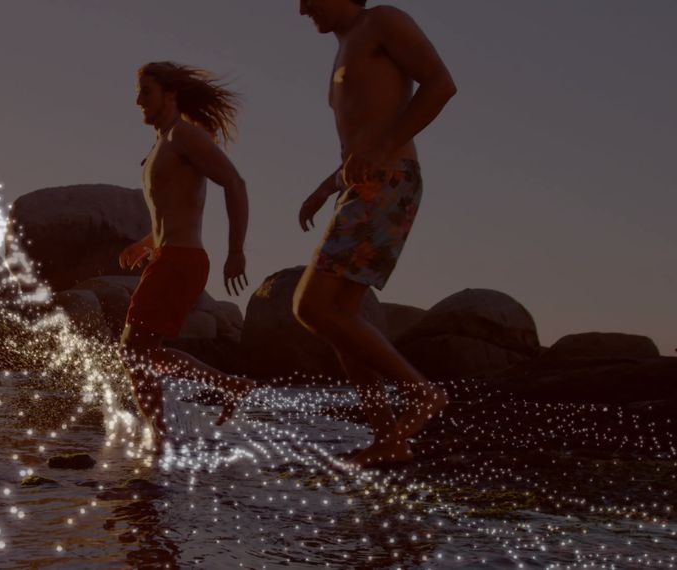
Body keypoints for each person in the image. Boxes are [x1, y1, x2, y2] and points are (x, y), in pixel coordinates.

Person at [293, 0, 457, 467]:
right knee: (340, 317)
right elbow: (360, 138)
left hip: (389, 179)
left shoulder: (382, 21)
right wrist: (327, 186)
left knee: (311, 307)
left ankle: (423, 394)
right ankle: (388, 439)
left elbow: (441, 84)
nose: (302, 8)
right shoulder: (347, 43)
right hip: (365, 183)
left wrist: (383, 149)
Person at [119, 61, 255, 452]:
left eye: (147, 91)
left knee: (134, 351)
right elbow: (174, 209)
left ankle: (163, 438)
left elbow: (234, 182)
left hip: (181, 258)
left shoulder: (184, 136)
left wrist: (236, 250)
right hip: (167, 254)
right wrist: (144, 245)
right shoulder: (162, 143)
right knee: (140, 352)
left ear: (170, 93)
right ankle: (167, 433)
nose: (138, 100)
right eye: (139, 92)